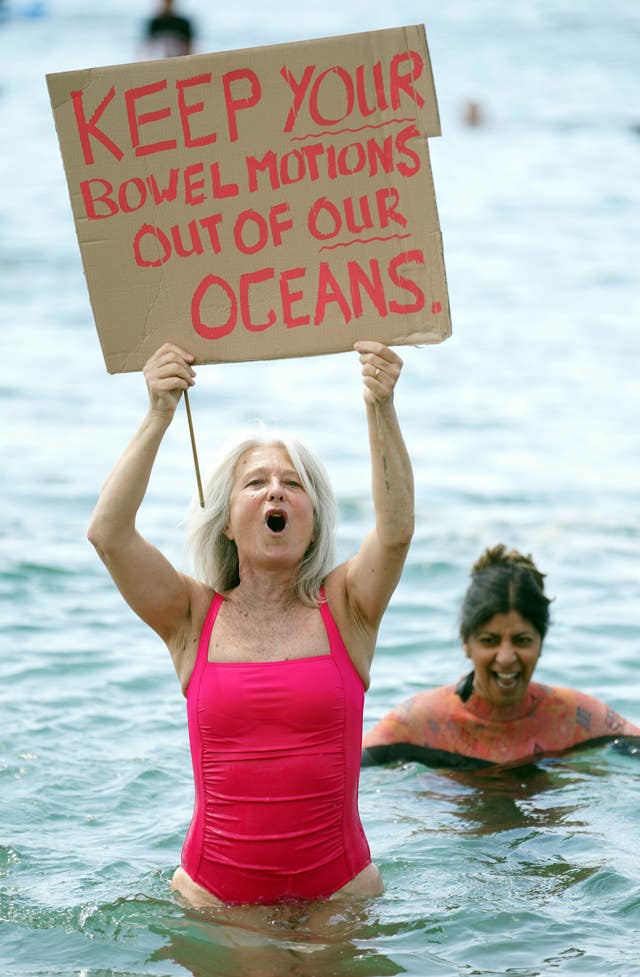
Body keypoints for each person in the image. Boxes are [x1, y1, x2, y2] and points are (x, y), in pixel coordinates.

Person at [87, 340, 414, 907]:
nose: (276, 491)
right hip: (216, 903)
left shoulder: (347, 608)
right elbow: (109, 533)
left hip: (339, 898)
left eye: (293, 483)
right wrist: (159, 413)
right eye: (256, 482)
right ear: (228, 524)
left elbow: (396, 532)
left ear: (311, 523)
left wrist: (380, 404)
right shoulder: (189, 616)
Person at [362, 545, 640, 770]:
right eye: (489, 641)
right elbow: (341, 772)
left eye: (522, 641)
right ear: (466, 643)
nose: (506, 657)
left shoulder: (574, 716)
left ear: (541, 644)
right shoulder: (418, 722)